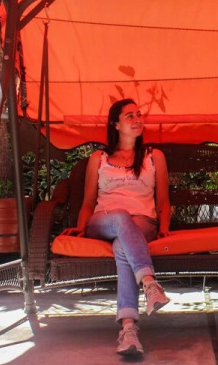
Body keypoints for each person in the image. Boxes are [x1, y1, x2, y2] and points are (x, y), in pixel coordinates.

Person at [62, 98, 171, 356]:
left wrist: (164, 228)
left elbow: (164, 201)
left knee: (123, 245)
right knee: (121, 216)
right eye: (129, 116)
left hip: (143, 222)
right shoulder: (99, 159)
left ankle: (128, 329)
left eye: (139, 115)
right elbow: (88, 202)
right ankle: (149, 282)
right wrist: (81, 227)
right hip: (104, 221)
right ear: (116, 124)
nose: (137, 120)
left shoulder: (154, 157)